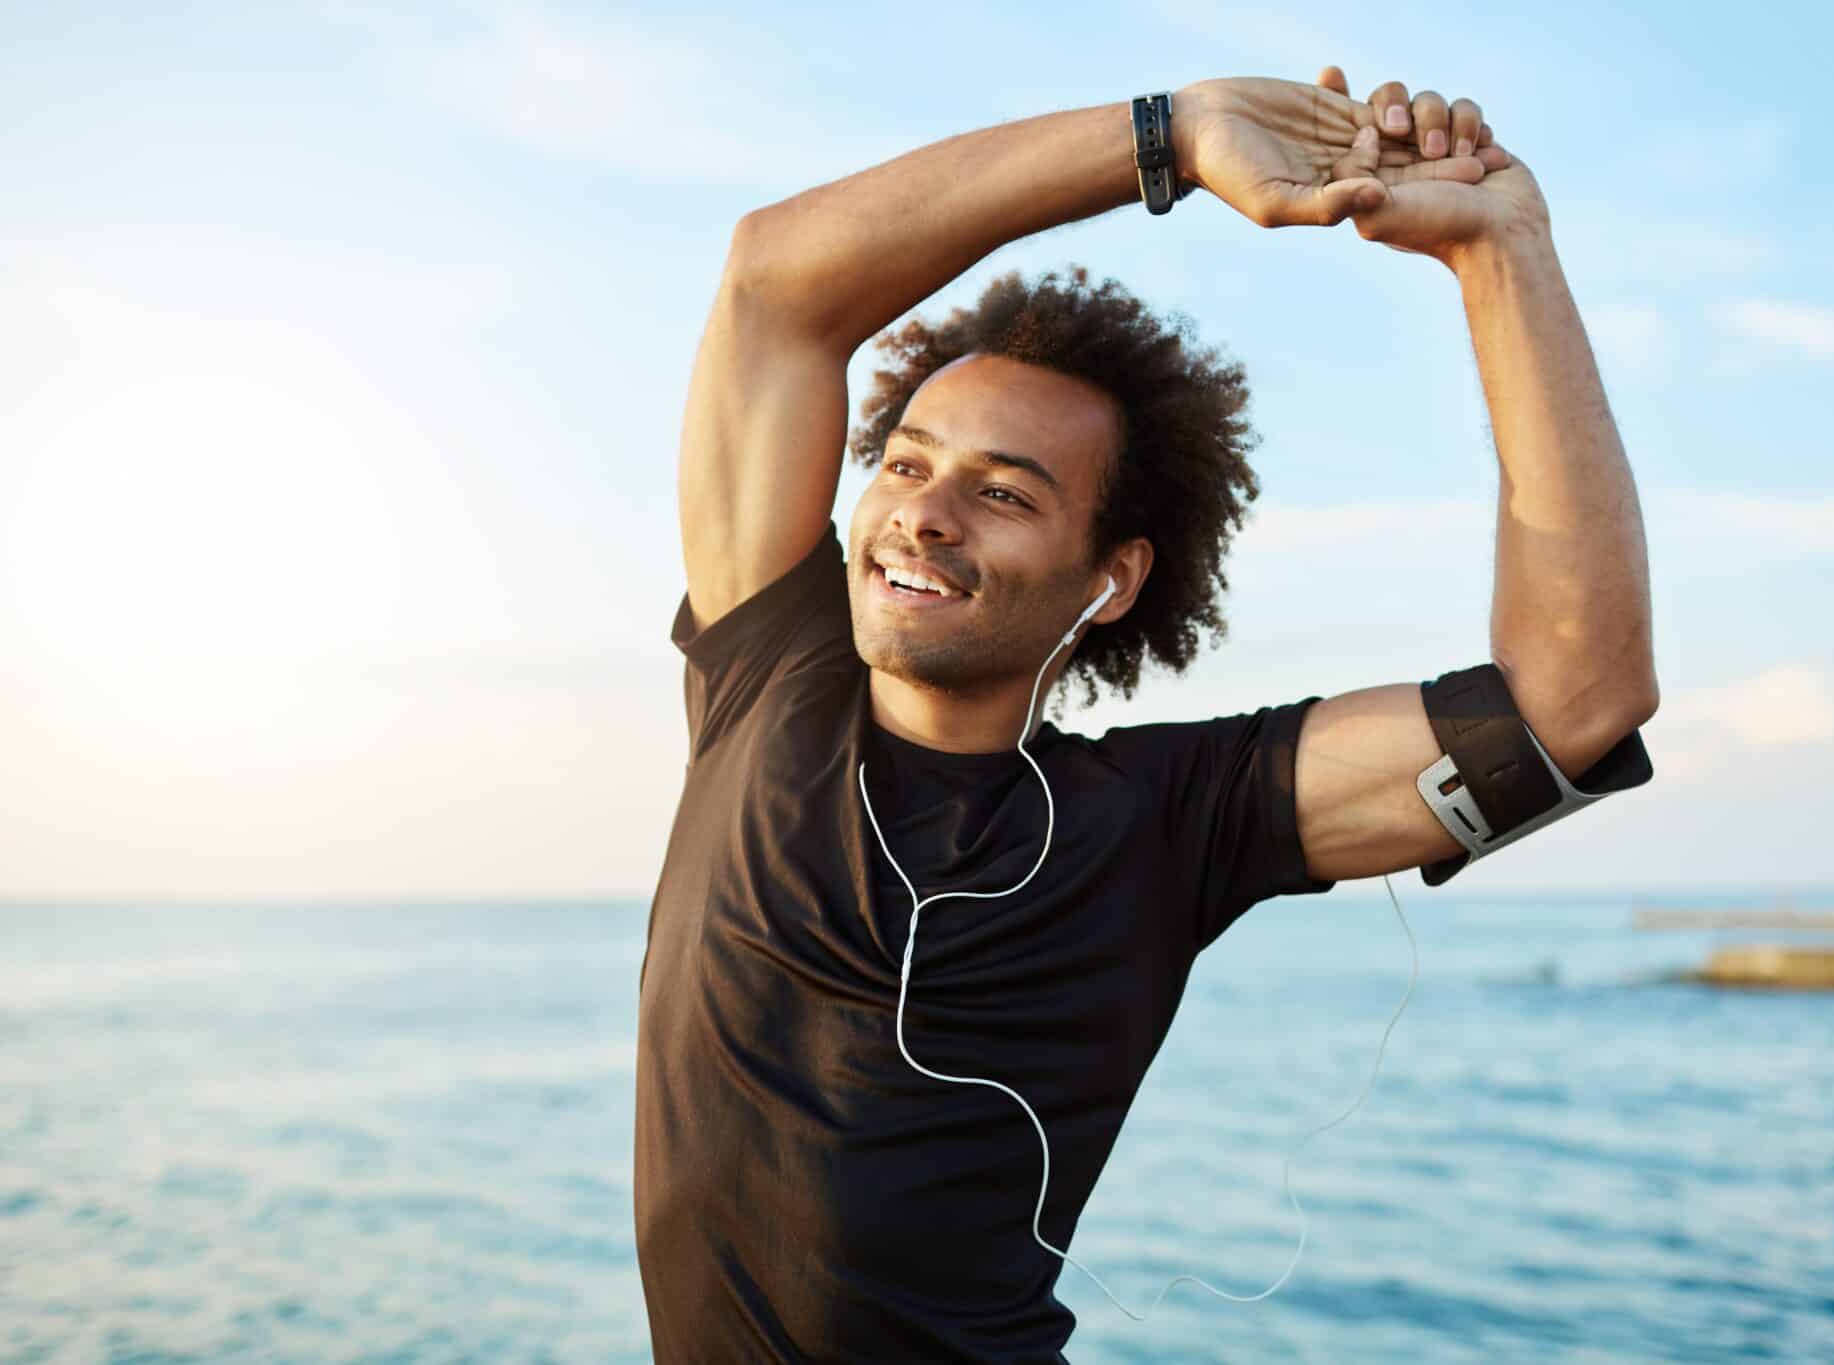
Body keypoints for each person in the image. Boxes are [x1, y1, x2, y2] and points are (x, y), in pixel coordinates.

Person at [636, 66, 1659, 1363]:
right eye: (906, 462)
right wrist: (1164, 138)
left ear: (1112, 574)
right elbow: (772, 282)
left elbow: (1576, 696)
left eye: (1004, 493)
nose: (925, 513)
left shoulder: (1167, 819)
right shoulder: (764, 677)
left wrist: (1502, 254)